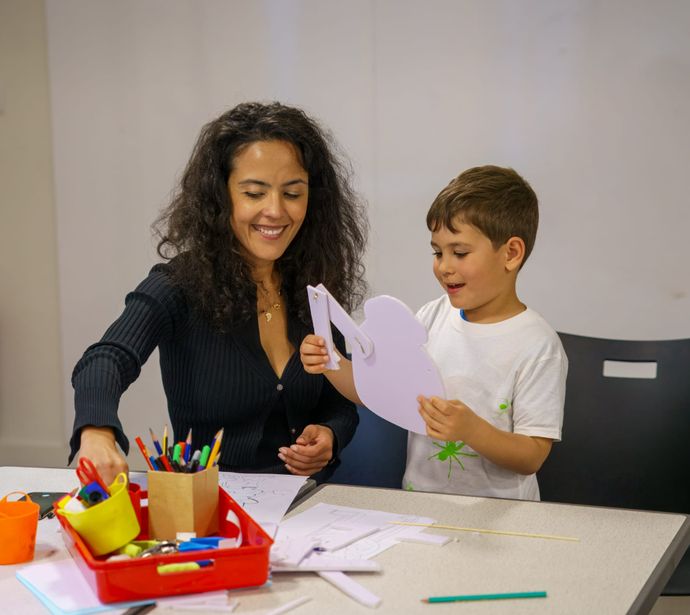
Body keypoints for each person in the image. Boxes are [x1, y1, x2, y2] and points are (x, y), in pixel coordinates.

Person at [69, 101, 368, 485]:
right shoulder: (177, 285)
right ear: (220, 196)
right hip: (208, 508)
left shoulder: (313, 286)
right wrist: (96, 433)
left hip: (309, 506)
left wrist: (330, 434)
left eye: (293, 194)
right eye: (254, 193)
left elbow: (338, 399)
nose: (276, 211)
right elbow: (106, 358)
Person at [300, 165, 566, 500]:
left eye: (460, 252)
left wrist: (471, 430)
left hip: (503, 524)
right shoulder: (431, 317)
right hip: (422, 507)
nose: (444, 266)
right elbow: (377, 391)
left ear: (511, 253)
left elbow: (531, 456)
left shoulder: (537, 345)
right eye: (438, 252)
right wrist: (331, 362)